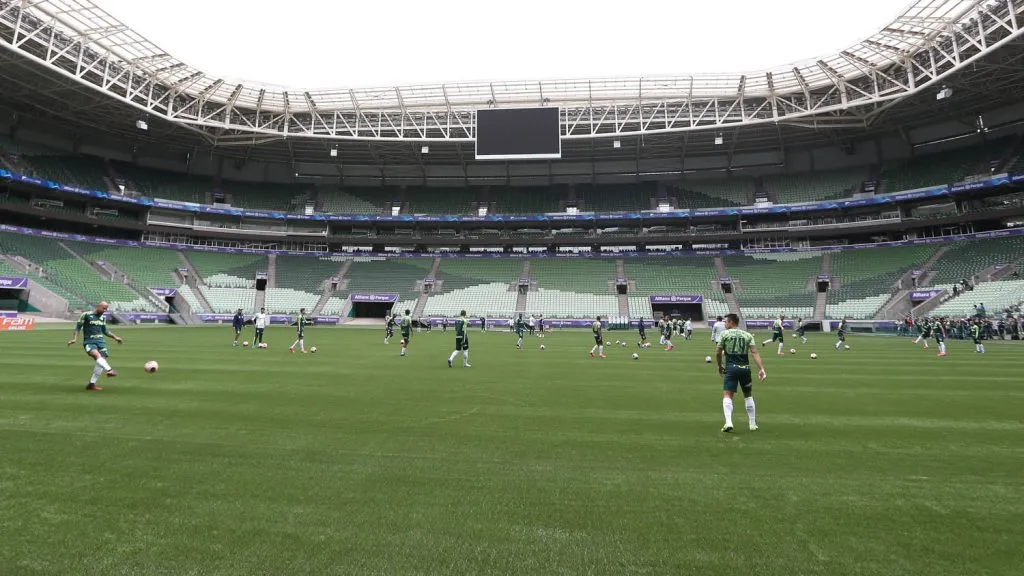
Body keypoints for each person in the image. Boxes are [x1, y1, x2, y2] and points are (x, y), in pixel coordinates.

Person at [715, 313, 766, 433]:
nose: (725, 324)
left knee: (727, 395)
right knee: (748, 395)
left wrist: (719, 365)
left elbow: (718, 352)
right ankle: (752, 424)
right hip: (745, 369)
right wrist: (761, 368)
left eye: (726, 322)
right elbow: (754, 353)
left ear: (731, 322)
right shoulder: (747, 335)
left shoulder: (724, 334)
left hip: (731, 368)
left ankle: (728, 422)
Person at [67, 301, 122, 391]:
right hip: (89, 341)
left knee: (100, 363)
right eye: (103, 308)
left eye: (106, 309)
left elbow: (105, 331)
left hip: (101, 342)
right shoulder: (86, 315)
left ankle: (91, 384)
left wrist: (115, 337)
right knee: (97, 356)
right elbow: (78, 328)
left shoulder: (103, 318)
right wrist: (74, 339)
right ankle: (109, 370)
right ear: (98, 306)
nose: (105, 310)